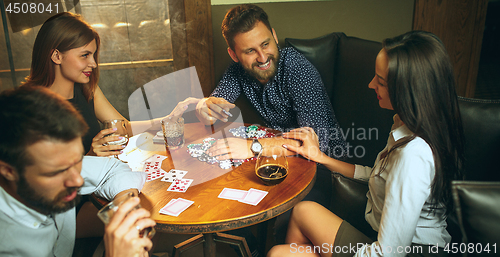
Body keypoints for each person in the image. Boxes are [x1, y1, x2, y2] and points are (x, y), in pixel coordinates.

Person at [268, 31, 465, 257]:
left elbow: (388, 254)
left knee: (278, 253)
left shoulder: (414, 155)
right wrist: (321, 157)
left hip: (410, 252)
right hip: (382, 237)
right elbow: (378, 176)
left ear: (407, 90)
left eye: (380, 81)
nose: (371, 85)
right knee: (301, 213)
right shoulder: (409, 124)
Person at [0, 86, 155, 257]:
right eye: (57, 172)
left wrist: (123, 211)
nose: (78, 181)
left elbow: (113, 168)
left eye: (77, 162)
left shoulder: (52, 162)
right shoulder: (8, 246)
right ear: (8, 170)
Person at [23, 11, 199, 157]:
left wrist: (168, 119)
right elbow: (39, 179)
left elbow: (123, 127)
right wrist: (91, 155)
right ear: (56, 56)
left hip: (98, 185)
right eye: (84, 55)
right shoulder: (27, 106)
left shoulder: (87, 89)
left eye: (93, 55)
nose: (93, 63)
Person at [196, 4, 346, 161]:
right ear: (234, 55)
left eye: (265, 44)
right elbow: (215, 107)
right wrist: (204, 108)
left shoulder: (298, 68)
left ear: (274, 36)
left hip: (326, 166)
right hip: (280, 158)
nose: (262, 58)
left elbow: (315, 142)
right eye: (250, 51)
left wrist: (251, 147)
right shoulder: (237, 71)